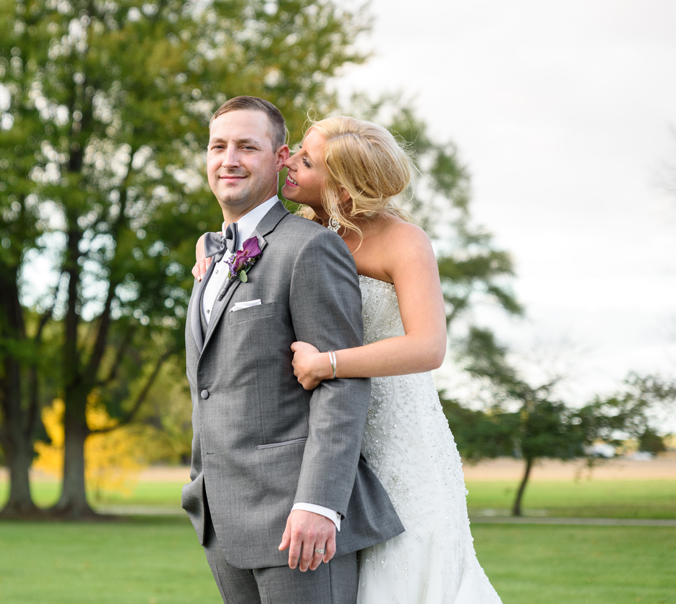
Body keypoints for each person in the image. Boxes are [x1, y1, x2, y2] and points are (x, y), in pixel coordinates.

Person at [193, 115, 503, 603]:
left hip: (396, 439)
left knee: (405, 577)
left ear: (342, 188)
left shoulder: (403, 241)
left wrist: (330, 363)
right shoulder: (301, 235)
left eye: (306, 161)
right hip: (326, 444)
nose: (288, 162)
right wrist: (215, 255)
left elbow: (429, 347)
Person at [182, 96, 403, 604]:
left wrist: (320, 504)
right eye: (218, 146)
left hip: (297, 521)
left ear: (280, 158)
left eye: (247, 147)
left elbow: (341, 380)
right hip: (222, 516)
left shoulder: (309, 248)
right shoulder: (212, 254)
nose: (228, 159)